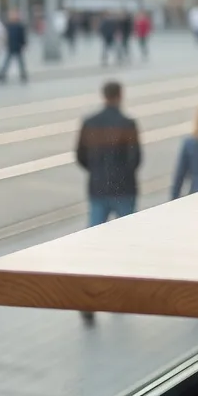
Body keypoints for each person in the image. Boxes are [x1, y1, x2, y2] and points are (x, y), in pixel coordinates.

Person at [75, 81, 141, 324]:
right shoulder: (128, 123)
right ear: (120, 95)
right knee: (124, 244)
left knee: (94, 245)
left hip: (98, 188)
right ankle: (119, 293)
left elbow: (80, 156)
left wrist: (98, 173)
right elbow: (136, 158)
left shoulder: (89, 122)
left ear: (103, 95)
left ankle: (88, 298)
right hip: (124, 190)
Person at [0, 11, 29, 83]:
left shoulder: (20, 26)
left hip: (17, 46)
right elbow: (5, 36)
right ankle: (2, 74)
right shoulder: (8, 26)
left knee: (20, 62)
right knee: (8, 61)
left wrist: (24, 44)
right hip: (11, 46)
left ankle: (23, 74)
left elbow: (22, 37)